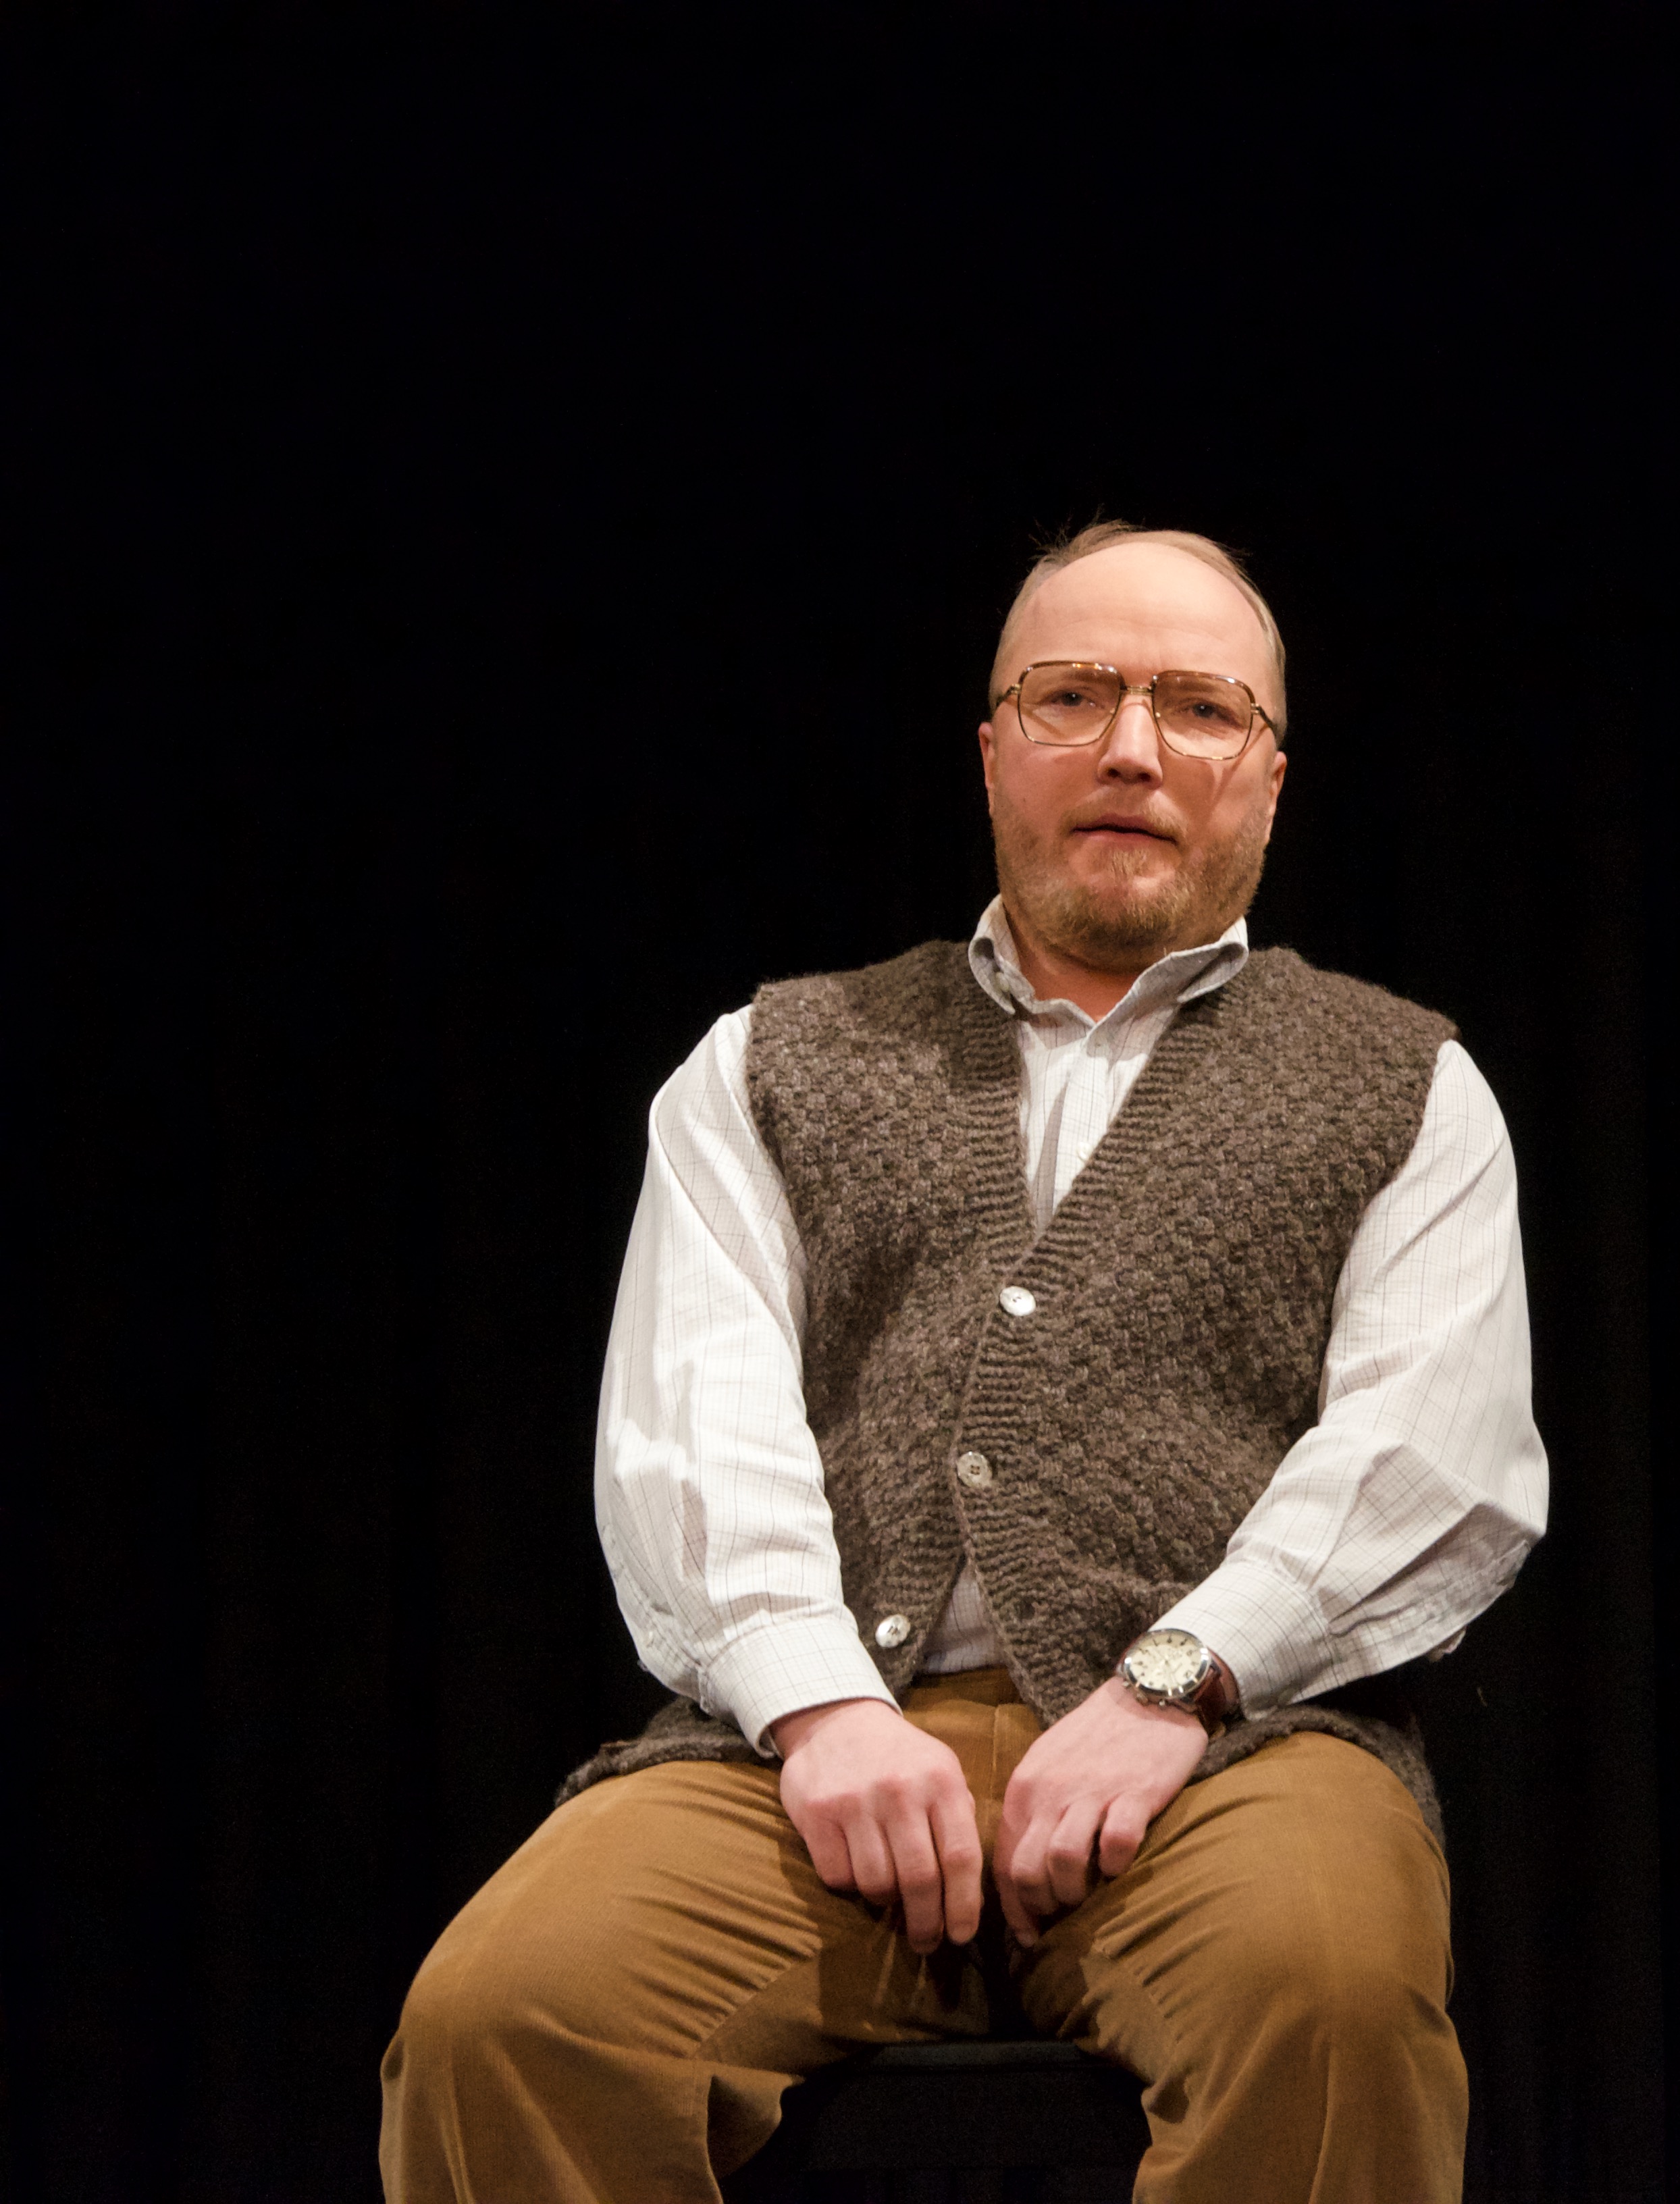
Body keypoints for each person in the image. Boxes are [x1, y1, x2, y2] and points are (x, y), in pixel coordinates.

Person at [380, 522, 1548, 2201]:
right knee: (509, 2015)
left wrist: (1174, 1685)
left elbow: (1426, 1458)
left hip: (1238, 1753)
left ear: (1271, 779)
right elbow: (698, 1428)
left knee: (1327, 1995)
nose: (1133, 747)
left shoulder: (1405, 1084)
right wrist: (822, 1713)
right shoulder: (770, 1062)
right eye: (1072, 694)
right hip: (818, 1757)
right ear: (994, 750)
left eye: (1199, 707)